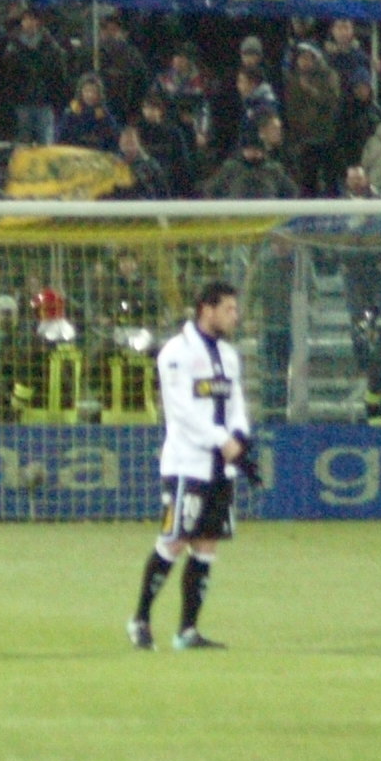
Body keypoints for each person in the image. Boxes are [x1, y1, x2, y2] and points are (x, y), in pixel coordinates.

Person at [132, 278, 255, 651]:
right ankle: (139, 620)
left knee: (206, 544)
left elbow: (237, 405)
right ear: (207, 309)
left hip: (221, 468)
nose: (235, 316)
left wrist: (240, 437)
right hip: (187, 464)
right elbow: (181, 410)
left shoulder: (229, 357)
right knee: (173, 541)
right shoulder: (175, 353)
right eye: (229, 309)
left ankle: (187, 631)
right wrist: (223, 441)